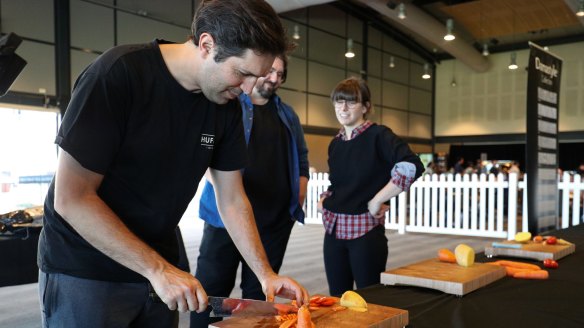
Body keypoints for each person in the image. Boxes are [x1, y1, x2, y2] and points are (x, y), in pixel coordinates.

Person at [36, 1, 309, 327]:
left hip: (160, 270)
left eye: (258, 77)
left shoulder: (226, 106)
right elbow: (72, 198)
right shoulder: (118, 75)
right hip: (86, 268)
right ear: (207, 45)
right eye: (243, 73)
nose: (250, 89)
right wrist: (158, 269)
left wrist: (265, 274)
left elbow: (233, 199)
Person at [190, 54, 309, 327]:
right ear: (259, 70)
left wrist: (297, 195)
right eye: (271, 71)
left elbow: (302, 158)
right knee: (210, 292)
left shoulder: (287, 114)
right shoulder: (229, 104)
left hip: (274, 221)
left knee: (259, 298)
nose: (275, 78)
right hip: (224, 218)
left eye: (281, 74)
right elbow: (207, 149)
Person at [318, 77, 424, 296]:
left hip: (365, 231)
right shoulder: (335, 143)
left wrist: (378, 199)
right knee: (337, 299)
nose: (343, 108)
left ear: (366, 107)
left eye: (351, 102)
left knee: (370, 298)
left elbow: (411, 165)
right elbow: (337, 183)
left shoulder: (379, 135)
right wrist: (324, 199)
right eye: (339, 102)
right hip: (333, 229)